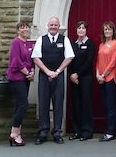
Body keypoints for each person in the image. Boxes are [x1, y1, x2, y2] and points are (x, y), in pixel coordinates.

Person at [31, 16, 74, 145]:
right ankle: (43, 132)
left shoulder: (64, 40)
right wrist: (48, 72)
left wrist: (57, 72)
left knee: (58, 104)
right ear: (48, 26)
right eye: (51, 25)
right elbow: (36, 58)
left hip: (59, 76)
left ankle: (57, 132)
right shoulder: (41, 40)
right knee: (43, 103)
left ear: (59, 26)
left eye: (56, 25)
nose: (53, 27)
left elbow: (69, 57)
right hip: (44, 76)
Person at [6, 20, 35, 146]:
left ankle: (18, 133)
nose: (25, 29)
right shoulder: (15, 42)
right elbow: (16, 61)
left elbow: (32, 59)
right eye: (22, 28)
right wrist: (27, 73)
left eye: (27, 27)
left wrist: (32, 71)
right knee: (23, 105)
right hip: (17, 78)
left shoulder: (28, 43)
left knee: (19, 105)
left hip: (26, 78)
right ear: (18, 30)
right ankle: (13, 133)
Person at [68, 20, 97, 141]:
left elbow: (89, 61)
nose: (81, 30)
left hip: (86, 77)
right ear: (76, 30)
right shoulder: (73, 44)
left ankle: (87, 131)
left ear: (86, 30)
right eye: (79, 28)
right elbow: (69, 59)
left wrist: (78, 74)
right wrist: (71, 75)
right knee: (76, 104)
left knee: (85, 104)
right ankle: (77, 131)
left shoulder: (90, 44)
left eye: (83, 28)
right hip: (74, 78)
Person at [96, 21, 116, 142]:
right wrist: (97, 74)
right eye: (105, 29)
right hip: (101, 79)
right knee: (105, 105)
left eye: (109, 29)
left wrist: (103, 75)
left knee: (110, 106)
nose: (107, 31)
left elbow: (113, 62)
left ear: (113, 31)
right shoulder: (101, 45)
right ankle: (109, 130)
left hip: (110, 78)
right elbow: (98, 61)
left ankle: (111, 132)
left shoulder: (115, 44)